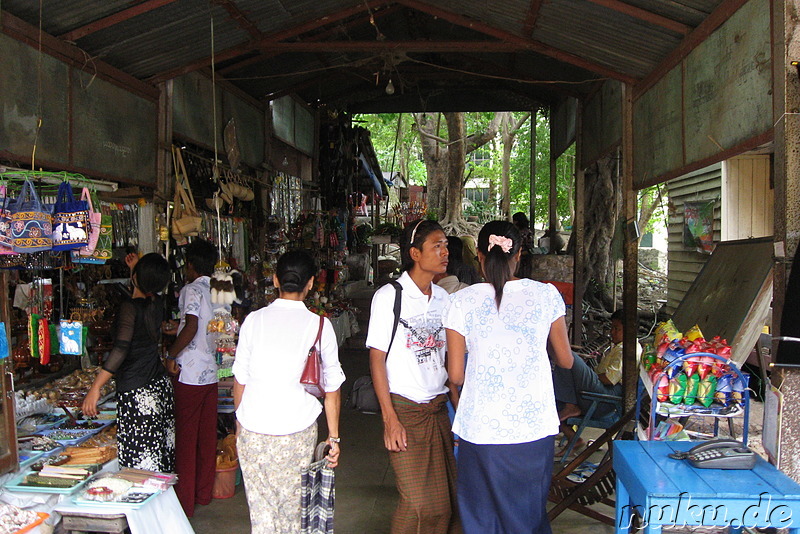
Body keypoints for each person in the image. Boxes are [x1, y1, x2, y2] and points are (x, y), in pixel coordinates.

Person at [443, 220, 573, 534]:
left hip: (481, 429)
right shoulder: (546, 295)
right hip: (533, 428)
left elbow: (456, 375)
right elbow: (566, 360)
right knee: (526, 516)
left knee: (481, 517)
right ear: (519, 255)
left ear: (479, 257)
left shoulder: (462, 301)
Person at [232, 250, 344, 534]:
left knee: (262, 514)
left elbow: (240, 381)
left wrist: (240, 426)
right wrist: (334, 438)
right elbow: (332, 389)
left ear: (275, 280)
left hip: (253, 431)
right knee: (294, 513)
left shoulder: (253, 321)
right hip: (297, 431)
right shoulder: (320, 325)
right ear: (310, 284)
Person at [366, 219, 461, 534]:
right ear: (415, 253)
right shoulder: (390, 297)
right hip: (405, 410)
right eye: (437, 245)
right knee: (417, 503)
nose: (445, 251)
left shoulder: (445, 299)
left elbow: (449, 360)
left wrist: (457, 408)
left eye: (446, 244)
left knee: (446, 504)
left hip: (438, 410)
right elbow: (377, 360)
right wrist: (389, 418)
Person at [82, 253, 175, 472]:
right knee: (159, 455)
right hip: (158, 386)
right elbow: (145, 286)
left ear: (137, 277)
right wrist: (136, 269)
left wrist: (96, 387)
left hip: (138, 390)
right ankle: (162, 504)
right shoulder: (157, 303)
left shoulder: (130, 308)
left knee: (140, 461)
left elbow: (120, 349)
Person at [163, 239, 219, 517]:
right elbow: (215, 325)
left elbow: (193, 324)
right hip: (212, 370)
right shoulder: (221, 288)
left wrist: (171, 355)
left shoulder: (190, 289)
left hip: (190, 373)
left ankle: (185, 502)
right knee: (207, 437)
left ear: (192, 266)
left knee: (186, 439)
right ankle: (203, 493)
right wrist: (180, 327)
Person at [553, 309, 642, 450]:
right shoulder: (618, 347)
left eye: (616, 329)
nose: (612, 332)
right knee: (562, 380)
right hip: (603, 392)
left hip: (606, 399)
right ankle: (572, 437)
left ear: (629, 330)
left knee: (568, 357)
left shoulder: (628, 350)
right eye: (612, 328)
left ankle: (571, 407)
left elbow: (608, 379)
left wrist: (585, 375)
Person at [512, 212, 534, 278]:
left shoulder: (520, 232)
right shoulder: (529, 231)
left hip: (522, 256)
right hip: (527, 256)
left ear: (517, 221)